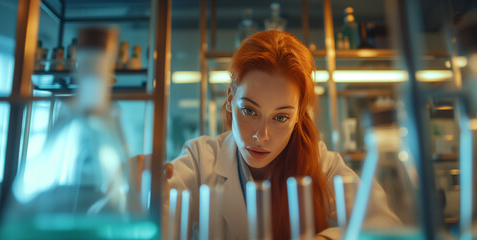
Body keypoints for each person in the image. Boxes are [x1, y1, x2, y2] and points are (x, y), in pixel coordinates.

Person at [133, 30, 400, 239]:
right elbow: (151, 225)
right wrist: (135, 195)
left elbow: (385, 227)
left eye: (281, 117)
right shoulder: (200, 160)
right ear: (230, 98)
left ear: (298, 116)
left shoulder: (322, 165)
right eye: (249, 111)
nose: (261, 136)